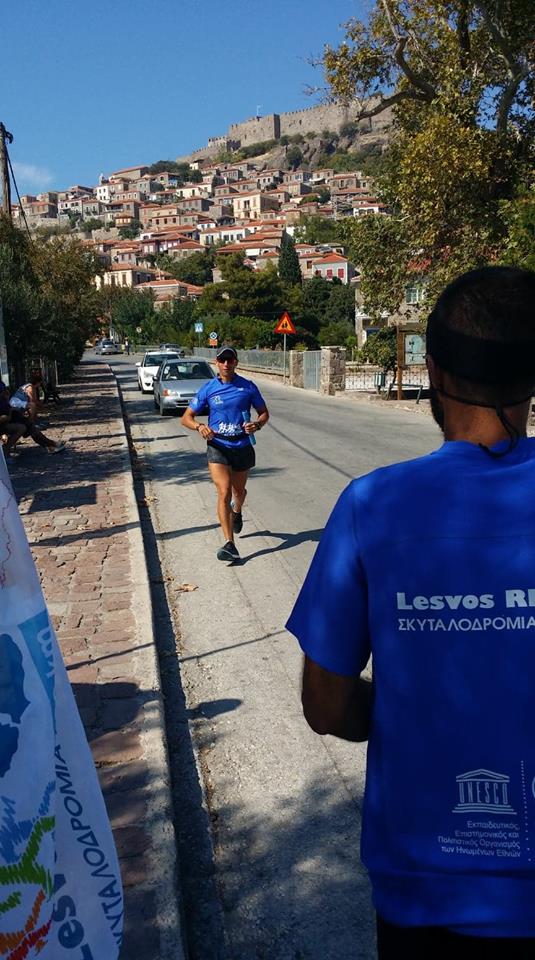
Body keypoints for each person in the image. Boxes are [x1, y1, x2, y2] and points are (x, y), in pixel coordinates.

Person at [287, 266, 535, 958]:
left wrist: (405, 713)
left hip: (427, 893)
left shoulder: (372, 506)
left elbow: (326, 707)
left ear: (432, 371)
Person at [181, 346, 269, 562]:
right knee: (224, 491)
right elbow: (186, 417)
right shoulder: (208, 388)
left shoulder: (248, 387)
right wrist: (200, 426)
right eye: (222, 360)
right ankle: (230, 544)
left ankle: (237, 511)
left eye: (230, 360)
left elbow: (264, 413)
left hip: (242, 446)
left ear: (236, 362)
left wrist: (257, 425)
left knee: (239, 492)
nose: (226, 364)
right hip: (217, 445)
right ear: (217, 363)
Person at [0, 381, 66, 455]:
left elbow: (7, 405)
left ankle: (50, 444)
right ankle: (51, 444)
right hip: (4, 419)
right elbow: (6, 413)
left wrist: (8, 403)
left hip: (9, 414)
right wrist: (9, 410)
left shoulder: (2, 389)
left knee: (29, 425)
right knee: (27, 426)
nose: (4, 392)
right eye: (3, 391)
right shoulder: (29, 387)